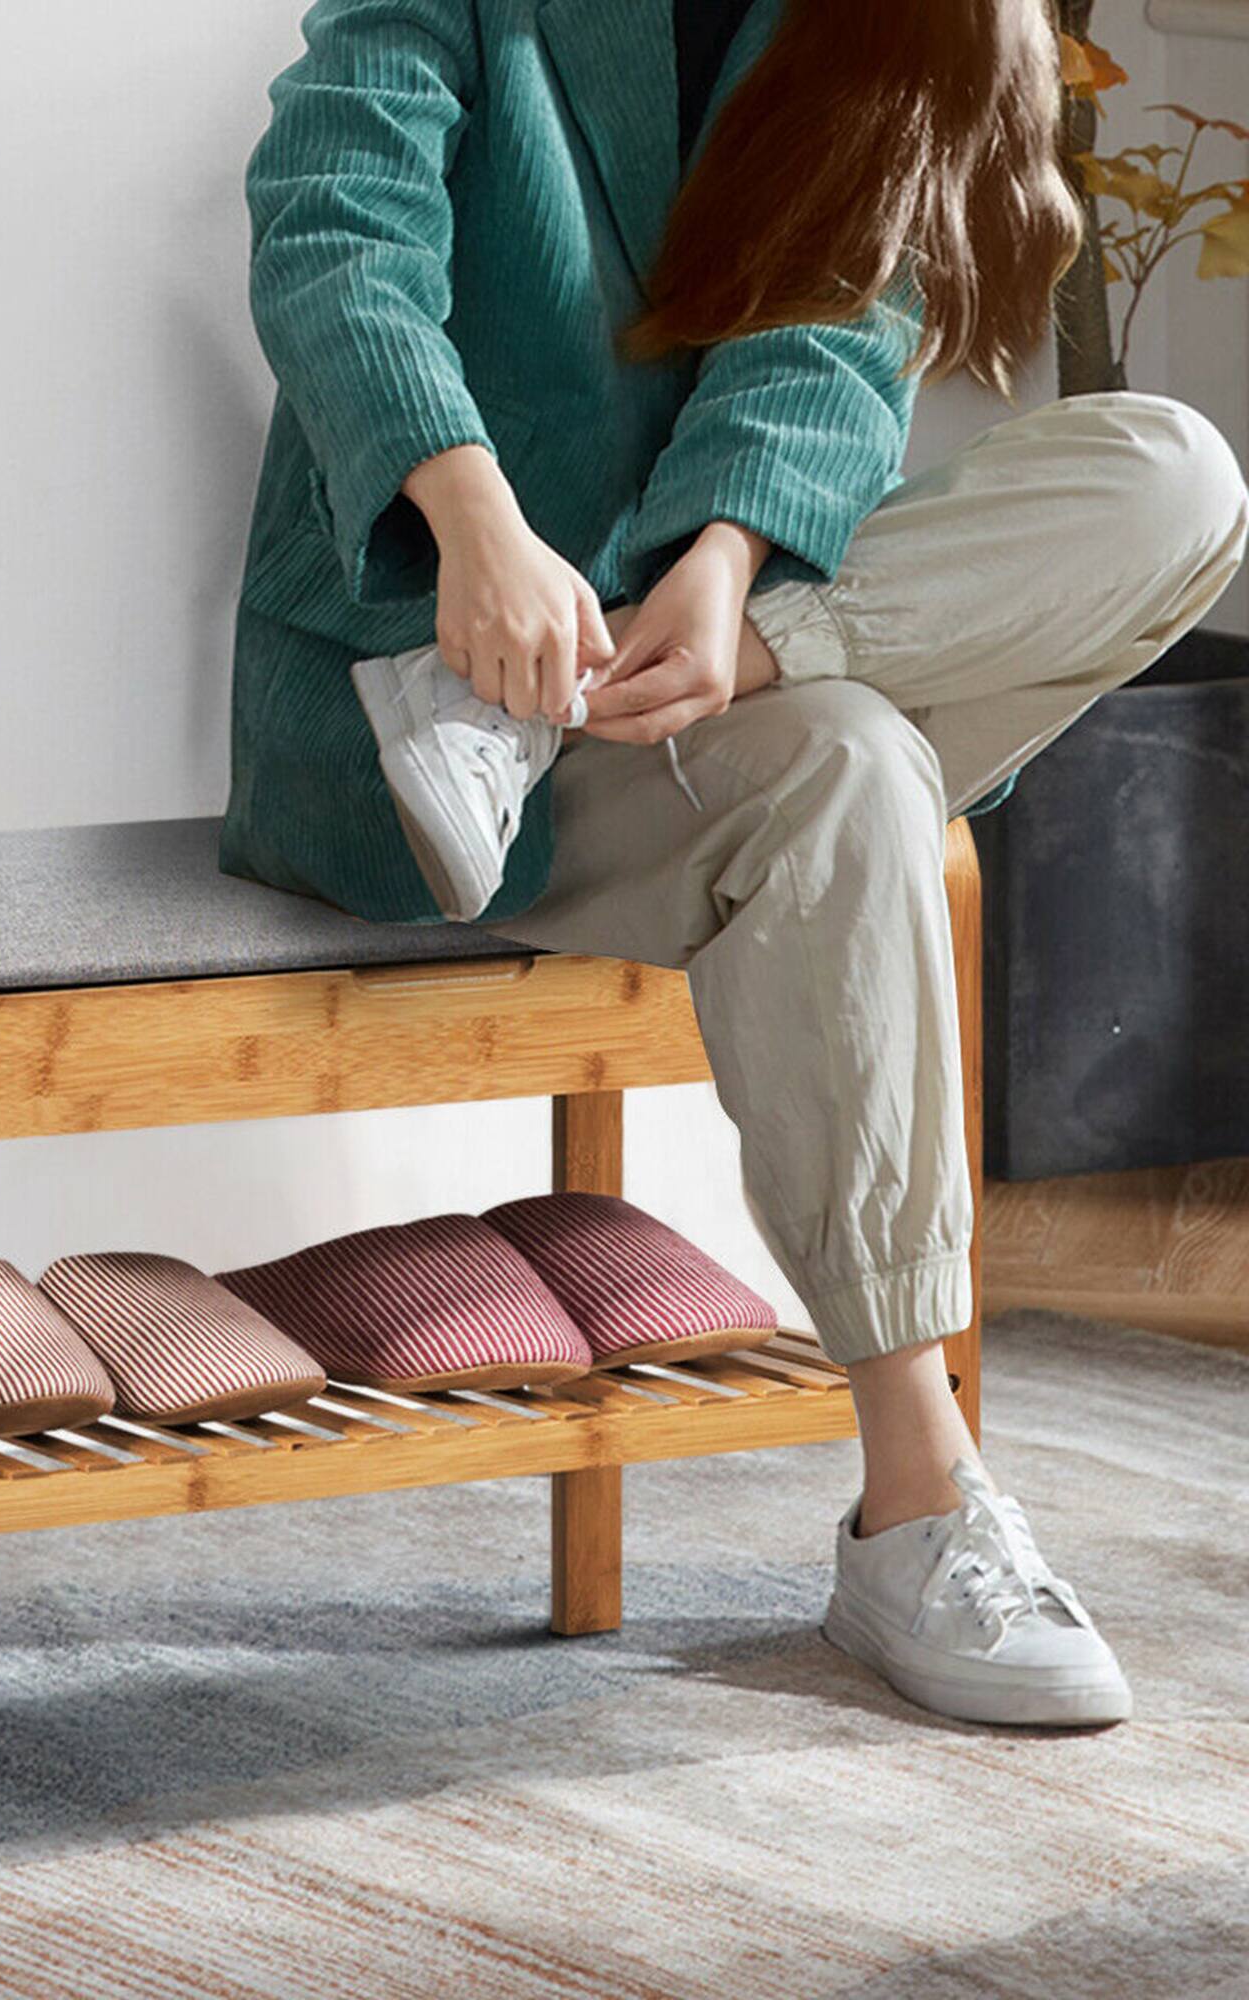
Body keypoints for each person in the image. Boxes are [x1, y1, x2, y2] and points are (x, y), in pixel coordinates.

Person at [220, 0, 1249, 1726]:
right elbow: (334, 227)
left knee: (1175, 476)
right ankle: (921, 1506)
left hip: (706, 655)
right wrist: (475, 524)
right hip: (418, 691)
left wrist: (733, 575)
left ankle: (755, 661)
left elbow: (840, 328)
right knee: (854, 766)